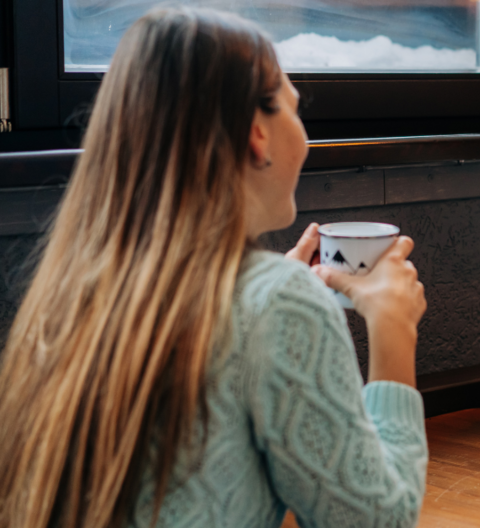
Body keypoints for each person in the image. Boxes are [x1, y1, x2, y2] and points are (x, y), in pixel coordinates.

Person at [0, 8, 427, 528]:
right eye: (294, 108)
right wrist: (393, 330)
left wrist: (269, 303)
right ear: (257, 135)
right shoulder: (278, 301)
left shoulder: (69, 293)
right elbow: (379, 522)